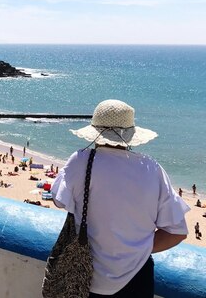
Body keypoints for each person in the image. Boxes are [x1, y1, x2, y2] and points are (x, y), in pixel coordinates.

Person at [50, 100, 189, 297]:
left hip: (86, 274)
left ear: (95, 132)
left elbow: (58, 199)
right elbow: (177, 232)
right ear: (130, 135)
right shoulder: (151, 169)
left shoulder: (81, 160)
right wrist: (136, 251)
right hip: (137, 279)